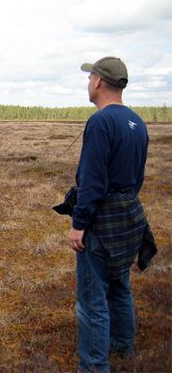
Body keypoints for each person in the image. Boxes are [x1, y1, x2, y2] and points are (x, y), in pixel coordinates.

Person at [67, 56, 156, 372]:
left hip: (103, 225)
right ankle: (124, 347)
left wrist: (79, 225)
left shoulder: (101, 122)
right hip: (129, 218)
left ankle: (94, 366)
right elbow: (138, 178)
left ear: (99, 82)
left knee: (92, 302)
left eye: (89, 77)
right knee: (120, 286)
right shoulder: (137, 122)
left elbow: (91, 181)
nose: (88, 82)